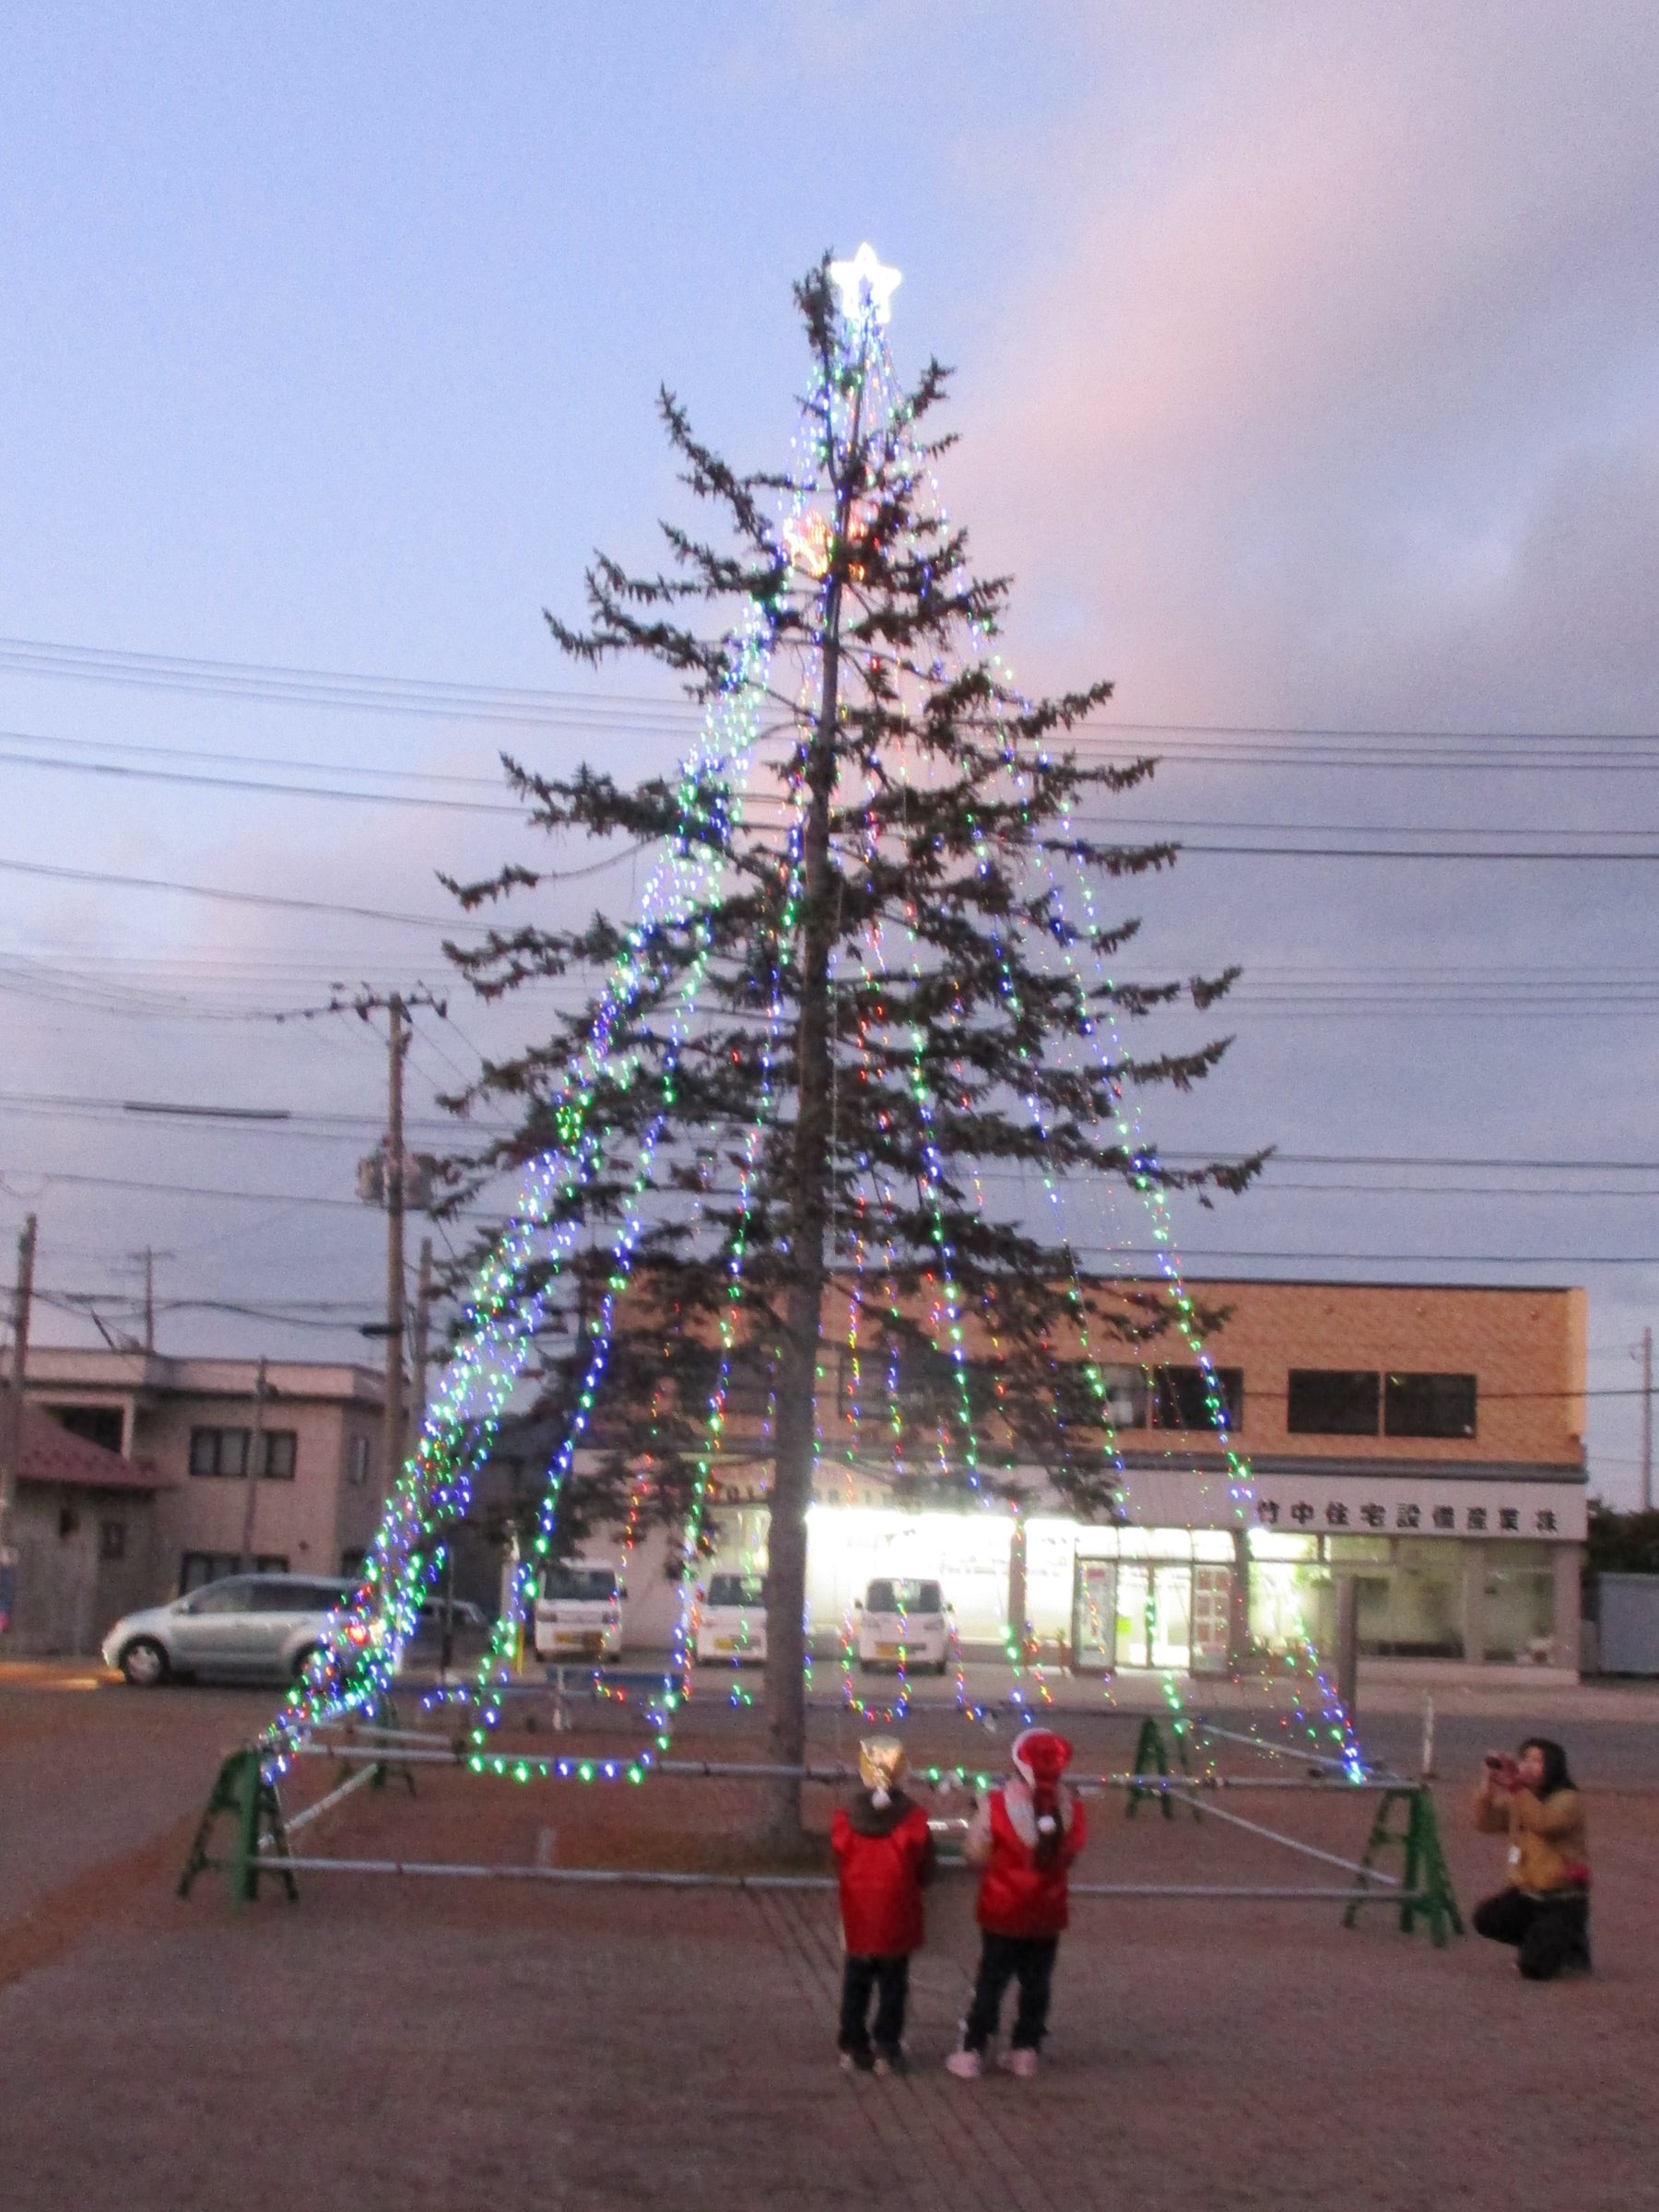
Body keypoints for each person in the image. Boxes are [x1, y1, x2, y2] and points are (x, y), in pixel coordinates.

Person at [947, 1725, 1087, 2079]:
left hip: (1003, 1909)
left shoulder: (996, 1805)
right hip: (1047, 1911)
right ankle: (1026, 2048)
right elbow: (1069, 1855)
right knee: (1037, 1982)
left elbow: (975, 1853)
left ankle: (973, 2048)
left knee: (991, 1980)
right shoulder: (1070, 1810)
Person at [830, 1736, 936, 2076]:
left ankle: (851, 2043)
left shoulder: (845, 1819)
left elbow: (837, 1858)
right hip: (897, 1912)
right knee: (893, 1984)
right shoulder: (914, 1819)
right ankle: (886, 2048)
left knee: (855, 1981)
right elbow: (925, 1865)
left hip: (858, 1913)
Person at [1471, 1736, 1591, 1981]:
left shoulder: (1567, 1800)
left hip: (1562, 1898)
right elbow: (1484, 1822)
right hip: (1527, 1895)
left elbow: (1543, 1822)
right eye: (1525, 1759)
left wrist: (1516, 1788)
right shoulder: (1523, 1799)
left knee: (1534, 1970)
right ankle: (1546, 1943)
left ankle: (1566, 1945)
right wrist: (1489, 1782)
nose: (1527, 1765)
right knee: (1485, 1918)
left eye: (1537, 1761)